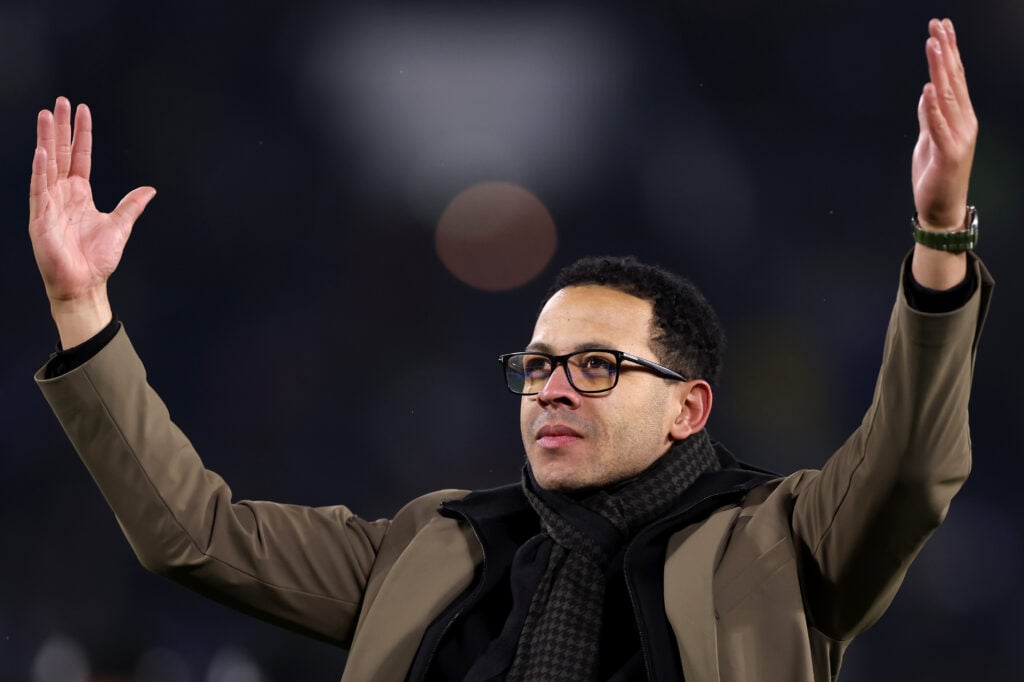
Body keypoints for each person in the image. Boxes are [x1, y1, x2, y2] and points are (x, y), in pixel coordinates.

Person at [30, 18, 991, 682]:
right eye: (538, 366)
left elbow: (911, 467)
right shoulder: (432, 544)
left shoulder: (783, 544)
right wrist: (82, 310)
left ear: (688, 408)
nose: (552, 390)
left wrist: (941, 234)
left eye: (597, 366)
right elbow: (195, 535)